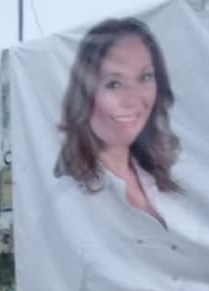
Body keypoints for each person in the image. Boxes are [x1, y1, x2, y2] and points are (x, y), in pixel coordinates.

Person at [54, 17, 181, 228]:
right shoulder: (68, 198)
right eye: (114, 84)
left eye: (145, 77)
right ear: (85, 94)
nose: (133, 99)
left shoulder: (159, 177)